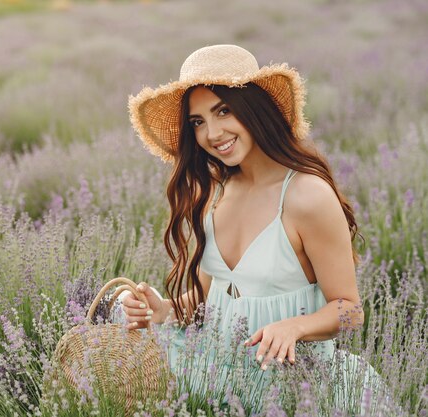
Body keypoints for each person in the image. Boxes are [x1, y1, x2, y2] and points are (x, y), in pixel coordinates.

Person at [119, 44, 383, 411]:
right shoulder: (214, 194)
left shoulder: (306, 197)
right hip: (212, 374)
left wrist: (295, 327)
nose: (212, 133)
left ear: (254, 109)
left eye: (223, 111)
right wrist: (164, 310)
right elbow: (215, 297)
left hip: (289, 385)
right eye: (198, 122)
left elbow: (350, 310)